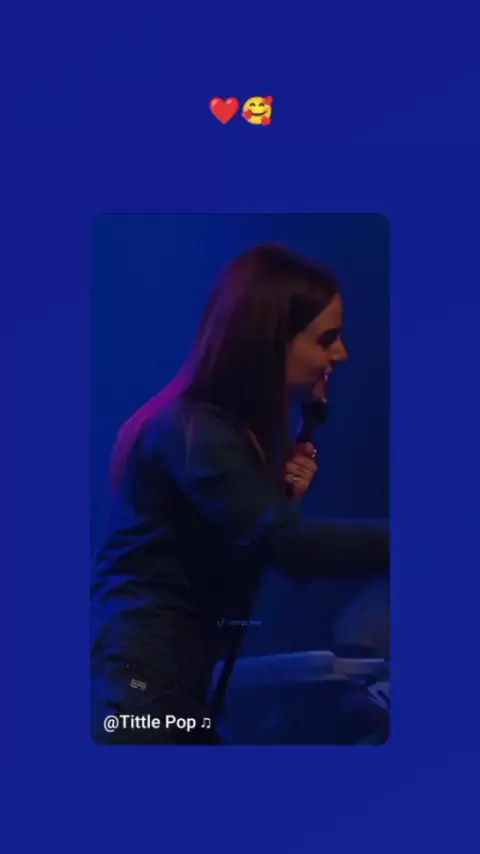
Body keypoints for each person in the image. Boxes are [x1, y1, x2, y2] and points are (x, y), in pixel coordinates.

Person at [90, 243, 389, 744]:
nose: (342, 354)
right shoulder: (192, 432)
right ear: (270, 340)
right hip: (142, 687)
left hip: (166, 683)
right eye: (326, 339)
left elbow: (243, 552)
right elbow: (291, 548)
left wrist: (280, 499)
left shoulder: (213, 432)